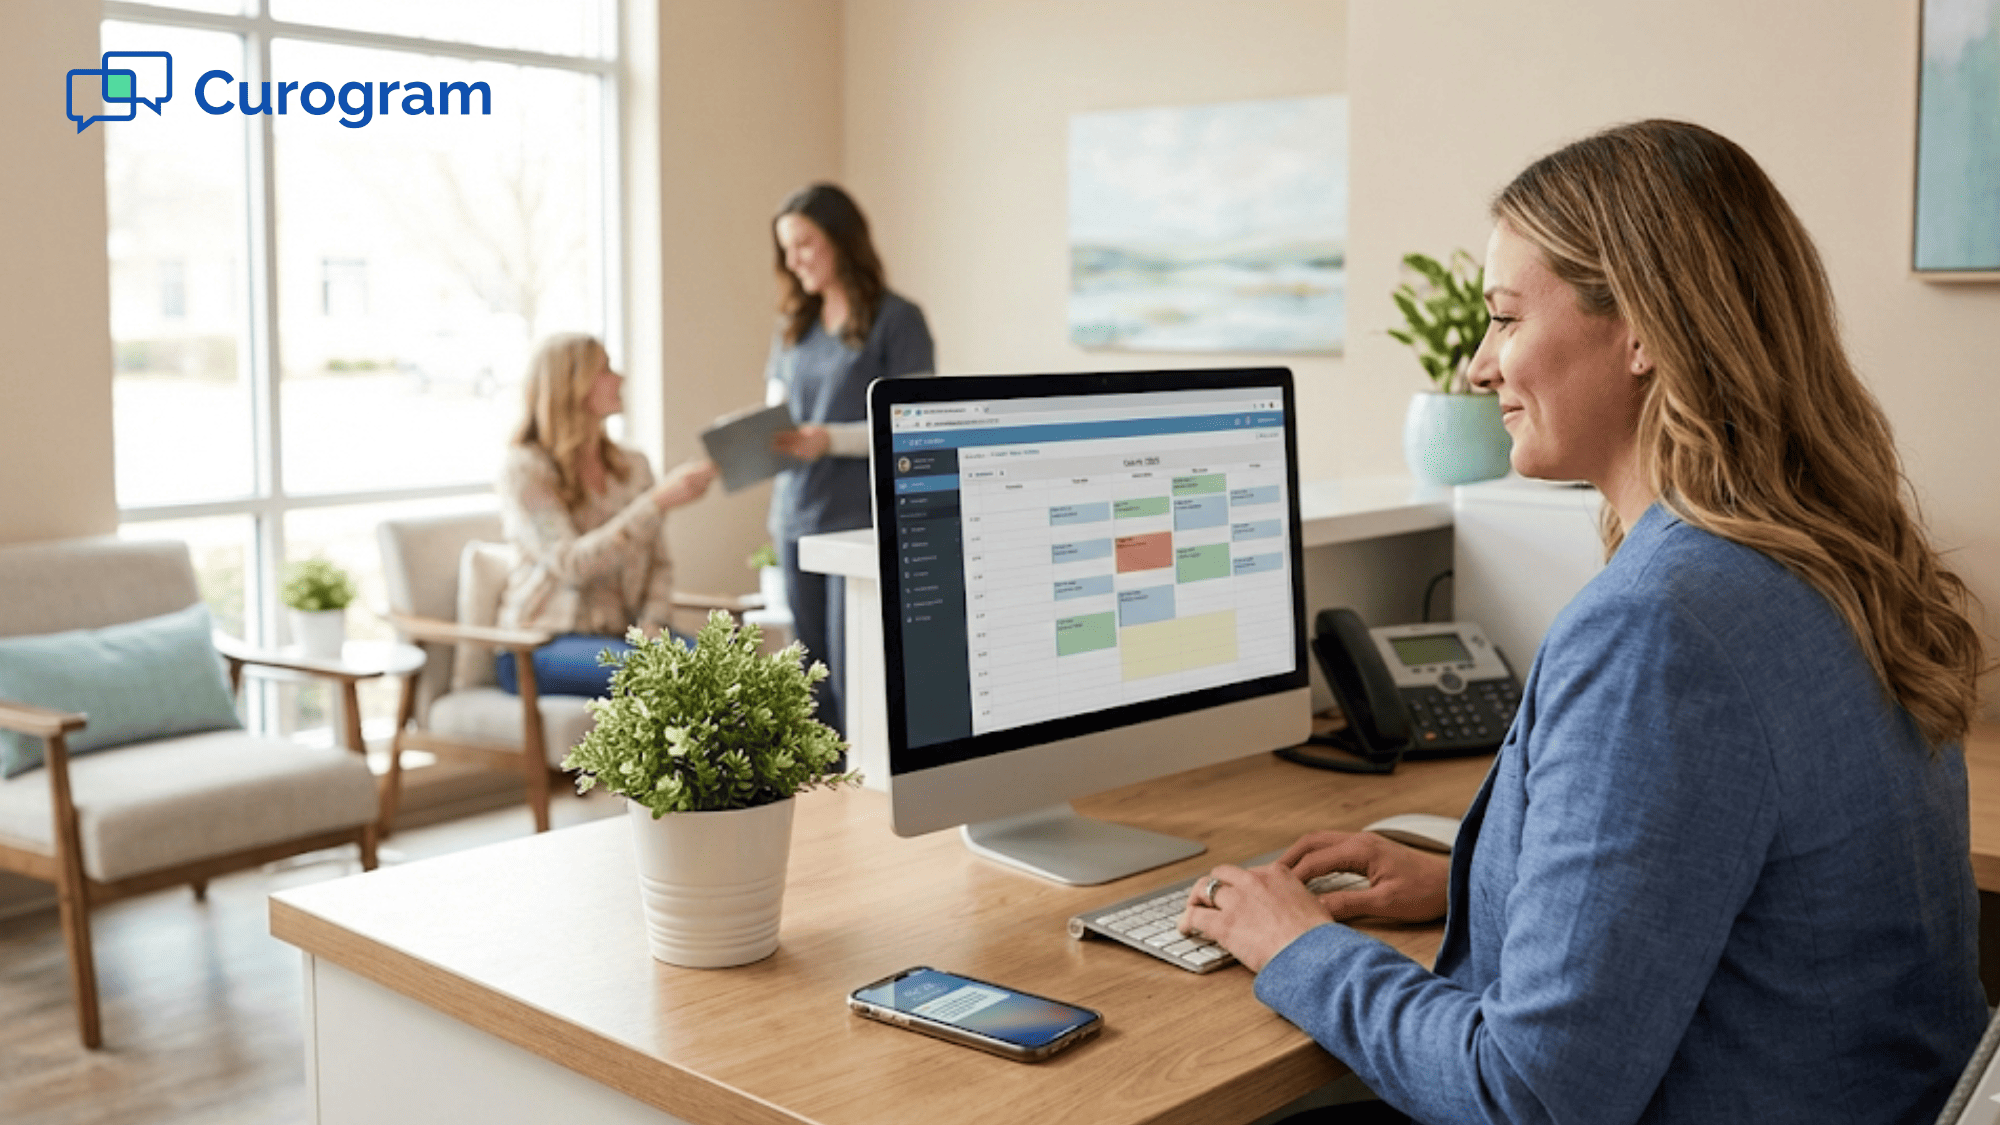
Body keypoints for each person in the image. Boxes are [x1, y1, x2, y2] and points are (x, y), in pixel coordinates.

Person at [1177, 120, 1989, 1124]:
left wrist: (1295, 944)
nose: (1478, 367)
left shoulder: (1661, 629)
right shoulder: (1829, 562)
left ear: (1642, 329)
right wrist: (1477, 883)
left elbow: (1527, 1096)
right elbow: (1734, 882)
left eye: (1505, 319)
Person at [764, 183, 935, 735]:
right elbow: (779, 405)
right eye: (787, 249)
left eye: (805, 244)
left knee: (854, 676)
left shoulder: (898, 320)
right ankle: (825, 802)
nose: (794, 261)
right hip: (795, 514)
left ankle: (863, 796)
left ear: (841, 239)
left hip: (857, 520)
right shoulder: (795, 325)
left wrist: (828, 440)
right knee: (809, 679)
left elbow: (914, 422)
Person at [494, 332, 717, 696]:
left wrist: (654, 626)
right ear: (570, 386)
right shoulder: (525, 471)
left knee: (733, 671)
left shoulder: (632, 466)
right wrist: (657, 503)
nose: (620, 378)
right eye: (605, 370)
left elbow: (659, 564)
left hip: (625, 638)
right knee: (663, 677)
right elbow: (571, 564)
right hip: (540, 644)